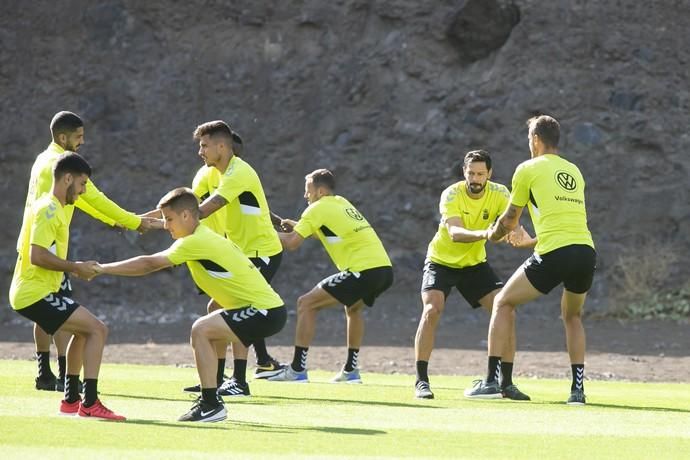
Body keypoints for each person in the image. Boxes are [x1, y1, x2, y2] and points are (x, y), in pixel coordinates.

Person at [96, 188, 286, 422]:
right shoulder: (201, 236)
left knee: (201, 329)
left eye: (169, 219)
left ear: (186, 216)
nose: (166, 226)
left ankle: (210, 404)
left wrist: (101, 268)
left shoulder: (196, 241)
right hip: (267, 310)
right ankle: (213, 391)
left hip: (266, 312)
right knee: (212, 317)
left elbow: (149, 264)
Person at [16, 111, 159, 392]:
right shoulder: (63, 164)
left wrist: (115, 221)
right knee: (67, 315)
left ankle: (47, 374)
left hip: (32, 241)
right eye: (79, 137)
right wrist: (134, 222)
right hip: (48, 246)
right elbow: (94, 197)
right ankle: (67, 379)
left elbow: (80, 200)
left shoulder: (43, 160)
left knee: (48, 313)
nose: (83, 141)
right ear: (63, 137)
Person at [463, 115, 596, 405]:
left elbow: (510, 218)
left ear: (535, 139)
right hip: (585, 251)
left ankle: (491, 382)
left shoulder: (527, 168)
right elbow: (569, 225)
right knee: (572, 316)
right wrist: (531, 241)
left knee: (503, 302)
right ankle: (577, 391)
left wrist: (493, 233)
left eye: (529, 139)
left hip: (555, 252)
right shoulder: (574, 171)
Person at [9, 152, 125, 420]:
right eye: (82, 184)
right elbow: (36, 255)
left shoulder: (54, 208)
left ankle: (72, 400)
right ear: (68, 179)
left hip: (38, 291)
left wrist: (77, 267)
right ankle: (90, 402)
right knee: (98, 329)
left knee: (85, 332)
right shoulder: (49, 209)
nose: (84, 191)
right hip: (32, 293)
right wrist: (76, 267)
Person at [180, 120, 285, 396]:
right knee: (218, 309)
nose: (200, 152)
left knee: (231, 307)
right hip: (242, 252)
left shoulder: (238, 173)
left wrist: (158, 223)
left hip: (262, 252)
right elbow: (186, 207)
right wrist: (147, 219)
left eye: (204, 146)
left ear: (222, 146)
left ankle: (238, 380)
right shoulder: (218, 173)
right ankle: (218, 378)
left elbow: (200, 211)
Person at [414, 150, 529, 401]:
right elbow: (455, 232)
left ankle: (505, 383)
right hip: (441, 261)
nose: (475, 179)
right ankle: (421, 380)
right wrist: (486, 234)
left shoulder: (500, 193)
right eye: (471, 173)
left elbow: (512, 224)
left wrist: (519, 234)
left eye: (480, 174)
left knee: (506, 309)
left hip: (474, 264)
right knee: (432, 310)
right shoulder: (451, 194)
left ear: (489, 173)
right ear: (464, 172)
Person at [268, 169, 394, 384]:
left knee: (305, 303)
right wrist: (297, 226)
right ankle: (351, 371)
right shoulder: (341, 202)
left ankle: (297, 370)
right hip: (383, 270)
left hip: (361, 271)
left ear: (320, 191)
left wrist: (262, 231)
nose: (305, 195)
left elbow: (291, 243)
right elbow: (327, 232)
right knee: (353, 309)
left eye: (308, 191)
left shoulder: (317, 208)